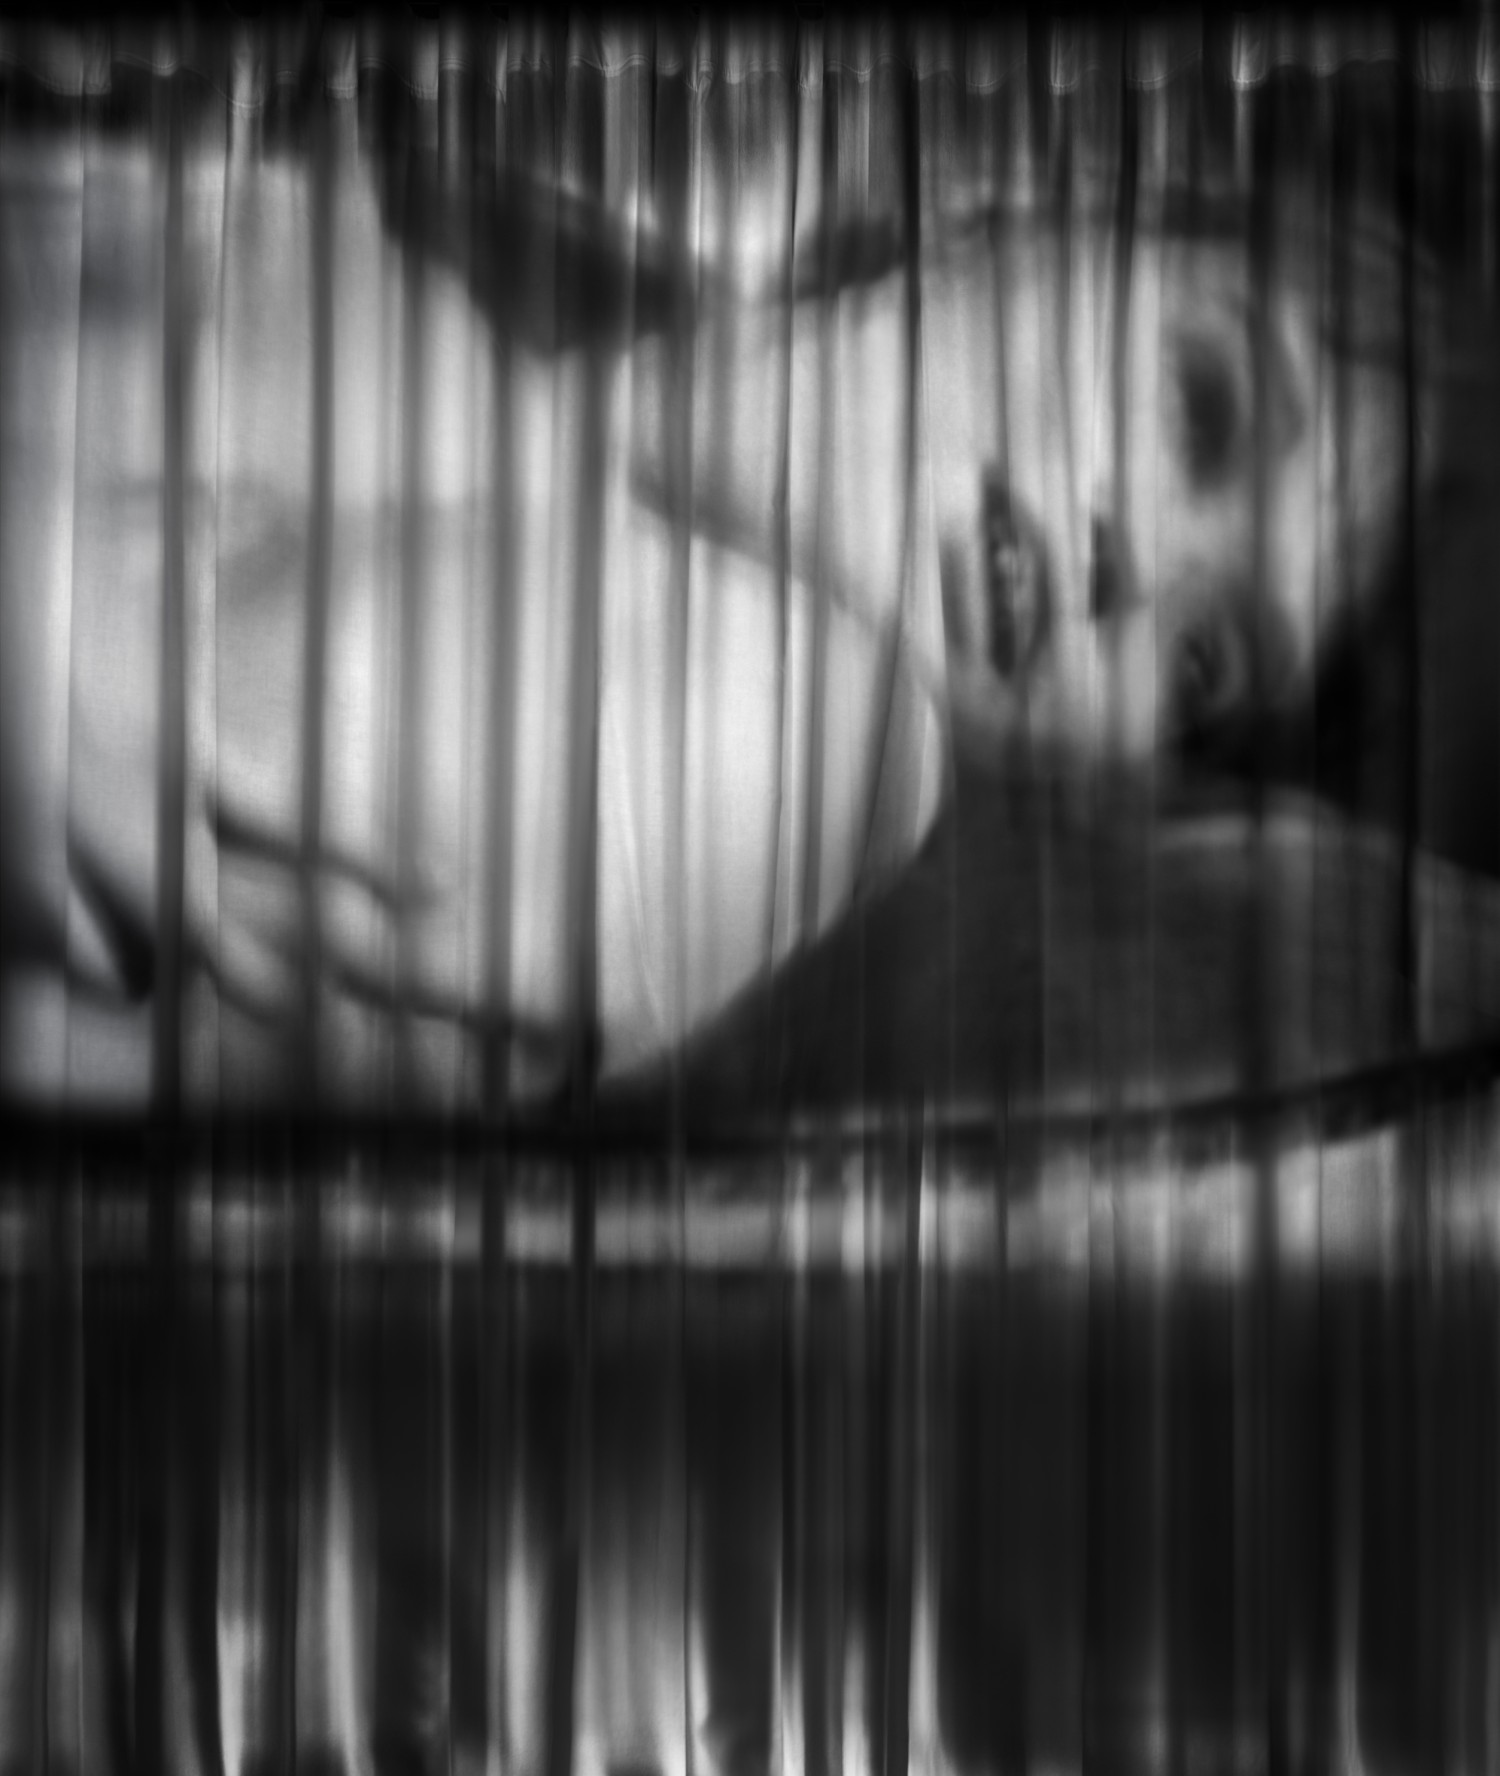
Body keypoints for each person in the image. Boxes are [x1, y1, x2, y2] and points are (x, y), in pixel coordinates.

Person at [0, 98, 1462, 1118]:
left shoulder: (782, 750)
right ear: (1033, 220)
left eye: (1206, 662)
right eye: (1203, 408)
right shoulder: (516, 251)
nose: (1132, 568)